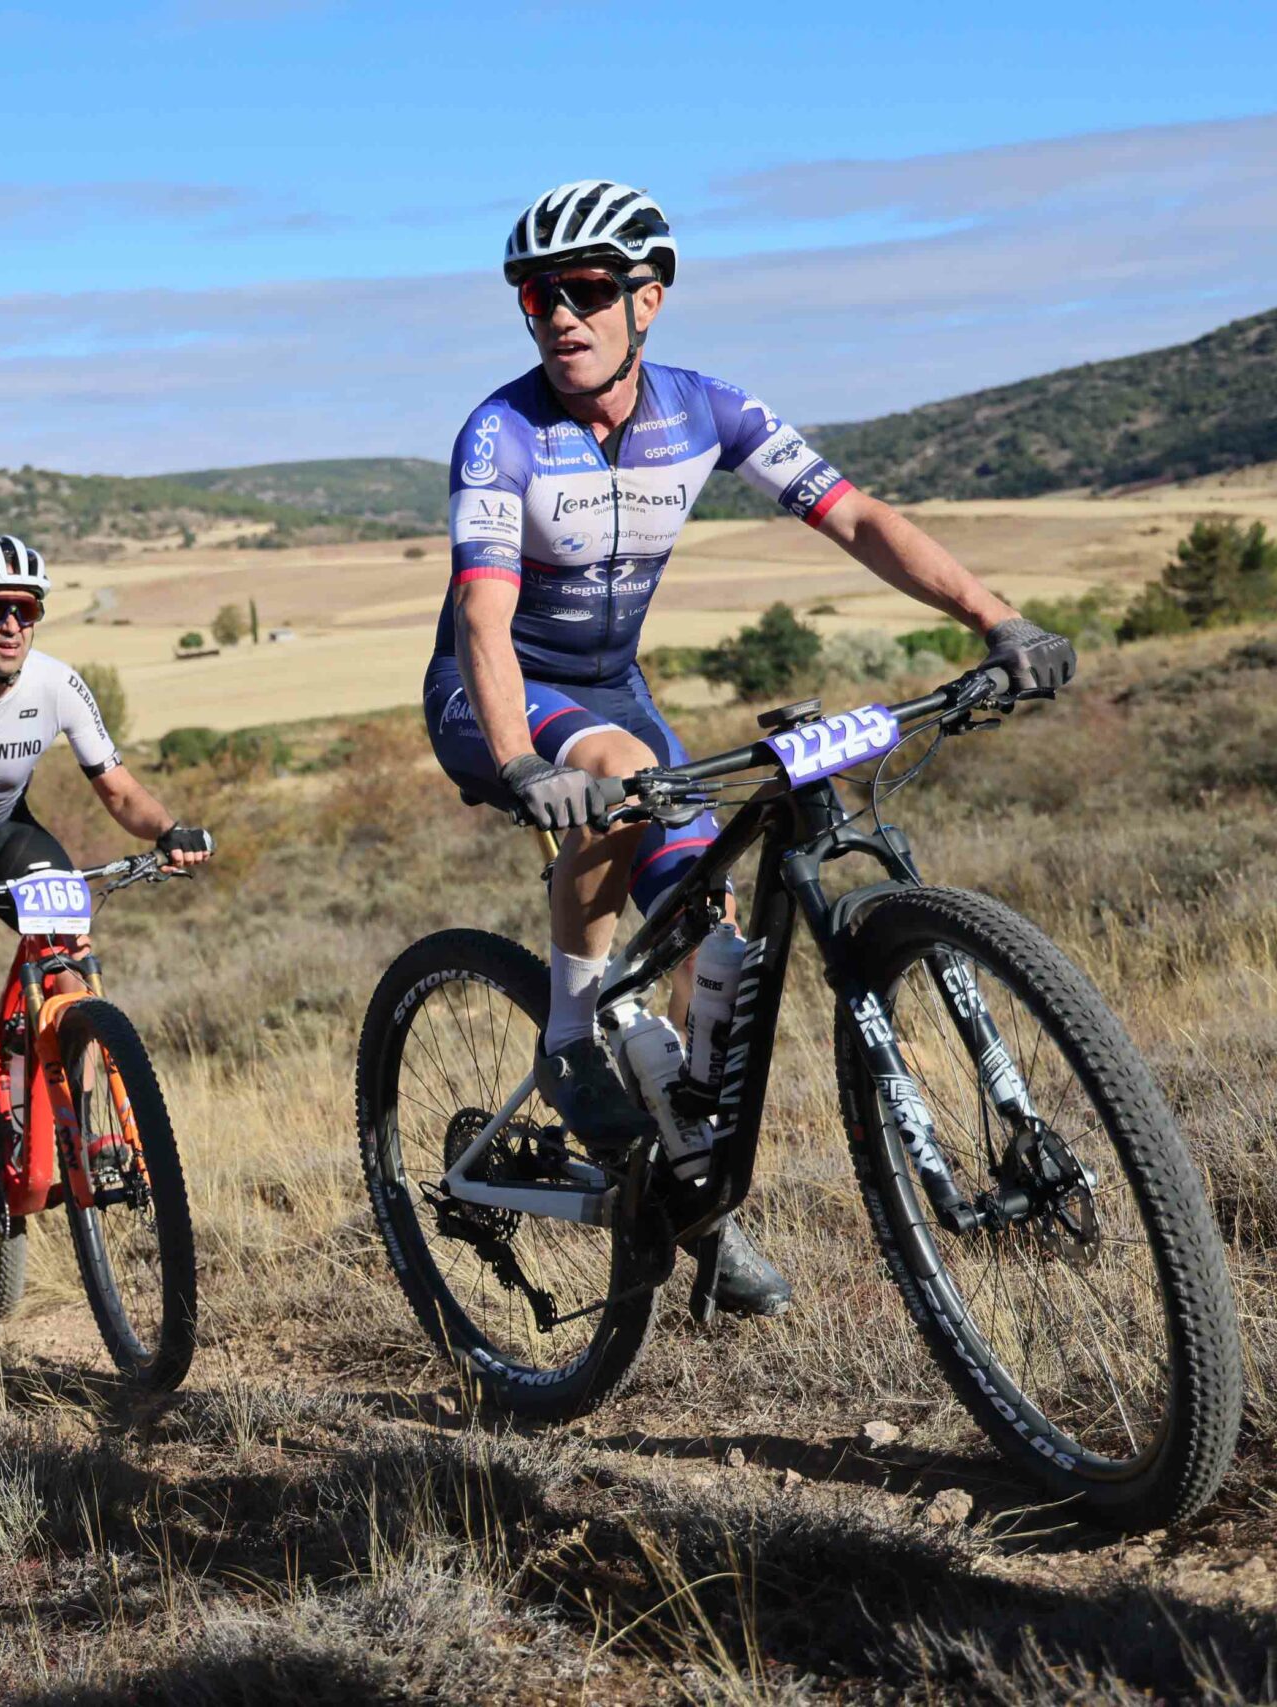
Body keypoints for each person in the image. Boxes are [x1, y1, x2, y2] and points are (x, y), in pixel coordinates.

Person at [427, 181, 1077, 1317]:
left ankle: (692, 1190)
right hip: (498, 698)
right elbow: (484, 612)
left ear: (650, 298)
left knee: (712, 936)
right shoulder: (501, 433)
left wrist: (997, 619)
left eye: (587, 290)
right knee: (617, 773)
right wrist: (523, 762)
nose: (560, 316)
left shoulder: (706, 410)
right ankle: (572, 1035)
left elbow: (857, 517)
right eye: (538, 297)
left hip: (615, 690)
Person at [0, 534, 212, 1239]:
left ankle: (69, 1115)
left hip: (6, 837)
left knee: (71, 970)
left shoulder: (56, 683)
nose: (12, 625)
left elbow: (118, 790)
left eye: (26, 610)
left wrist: (169, 830)